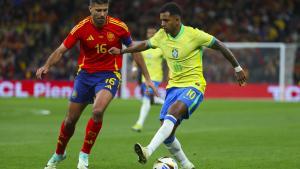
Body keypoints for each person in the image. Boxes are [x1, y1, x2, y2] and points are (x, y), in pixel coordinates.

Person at [109, 2, 247, 169]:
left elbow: (220, 46)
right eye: (161, 20)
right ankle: (187, 165)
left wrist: (237, 68)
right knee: (167, 134)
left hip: (194, 86)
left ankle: (148, 150)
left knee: (173, 113)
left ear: (177, 20)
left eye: (166, 20)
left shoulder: (194, 35)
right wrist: (122, 51)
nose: (162, 24)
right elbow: (145, 44)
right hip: (173, 87)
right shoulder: (161, 35)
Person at [36, 0, 157, 169]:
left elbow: (135, 50)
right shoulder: (81, 27)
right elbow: (61, 50)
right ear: (90, 9)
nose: (101, 14)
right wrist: (46, 65)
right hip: (85, 76)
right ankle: (59, 153)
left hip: (109, 74)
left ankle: (84, 156)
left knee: (98, 110)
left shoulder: (119, 26)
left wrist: (148, 79)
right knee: (70, 120)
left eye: (105, 10)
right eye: (98, 10)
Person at [131, 26, 167, 132]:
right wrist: (133, 69)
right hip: (144, 78)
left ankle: (139, 124)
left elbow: (169, 60)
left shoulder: (161, 48)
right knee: (151, 100)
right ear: (147, 34)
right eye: (149, 33)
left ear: (156, 34)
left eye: (152, 33)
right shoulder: (144, 46)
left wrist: (170, 72)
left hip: (155, 78)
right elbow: (136, 58)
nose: (150, 35)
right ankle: (168, 103)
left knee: (146, 99)